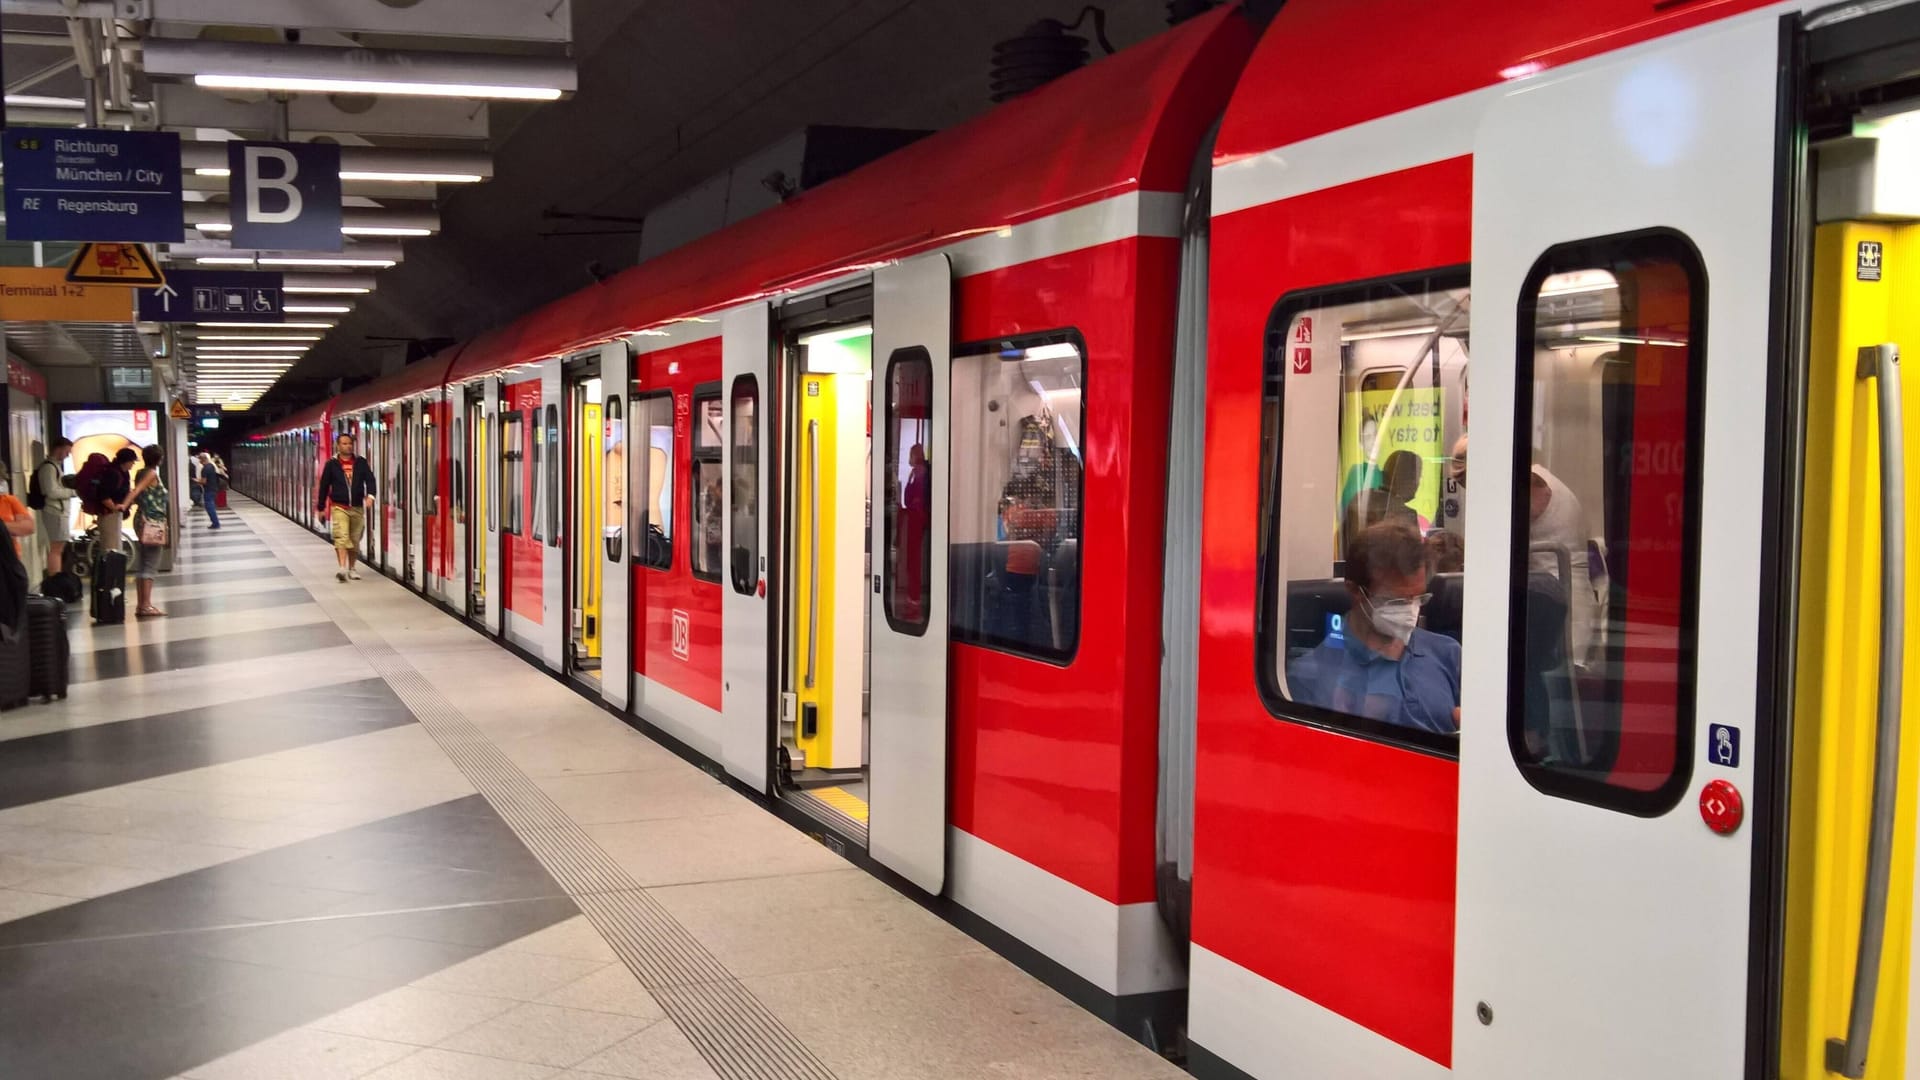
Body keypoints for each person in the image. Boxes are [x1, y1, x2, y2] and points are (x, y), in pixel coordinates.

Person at [1288, 522, 1461, 734]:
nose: (1410, 611)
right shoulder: (1312, 676)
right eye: (1396, 601)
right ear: (1355, 590)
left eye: (1417, 598)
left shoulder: (1448, 654)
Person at [315, 432, 377, 582]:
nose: (348, 446)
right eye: (344, 443)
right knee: (341, 537)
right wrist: (321, 507)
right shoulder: (331, 464)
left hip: (356, 507)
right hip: (339, 506)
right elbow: (324, 486)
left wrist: (371, 495)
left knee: (355, 540)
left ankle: (352, 568)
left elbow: (370, 480)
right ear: (338, 445)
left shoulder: (361, 462)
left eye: (350, 443)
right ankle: (342, 569)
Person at [128, 444, 168, 618]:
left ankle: (141, 605)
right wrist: (123, 504)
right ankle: (146, 605)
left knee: (144, 562)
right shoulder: (151, 474)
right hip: (152, 523)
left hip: (142, 520)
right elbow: (136, 491)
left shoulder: (140, 473)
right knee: (150, 564)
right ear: (160, 459)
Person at [32, 438, 76, 576]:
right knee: (56, 548)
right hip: (55, 511)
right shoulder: (49, 468)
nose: (67, 455)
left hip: (58, 511)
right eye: (67, 451)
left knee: (58, 548)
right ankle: (55, 579)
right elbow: (50, 491)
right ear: (59, 449)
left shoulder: (54, 467)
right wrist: (72, 492)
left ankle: (56, 577)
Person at [93, 447, 138, 557]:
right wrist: (114, 507)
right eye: (132, 461)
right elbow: (104, 496)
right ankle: (110, 572)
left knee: (114, 544)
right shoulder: (113, 474)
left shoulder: (124, 473)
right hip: (108, 513)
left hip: (115, 512)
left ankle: (112, 571)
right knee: (111, 546)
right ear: (126, 461)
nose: (133, 464)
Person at [197, 452, 221, 530]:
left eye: (199, 458)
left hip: (208, 490)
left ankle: (215, 523)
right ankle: (215, 523)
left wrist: (197, 481)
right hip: (214, 488)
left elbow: (204, 481)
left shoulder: (204, 469)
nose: (199, 460)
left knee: (210, 507)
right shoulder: (211, 466)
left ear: (202, 459)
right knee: (211, 506)